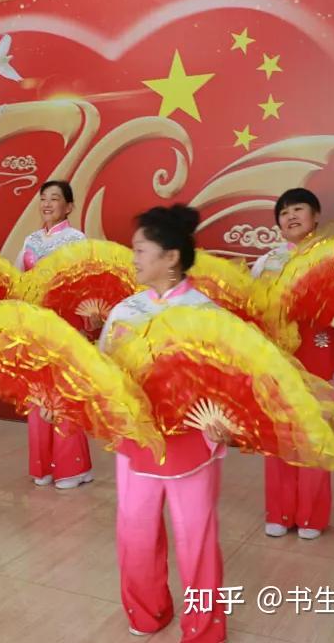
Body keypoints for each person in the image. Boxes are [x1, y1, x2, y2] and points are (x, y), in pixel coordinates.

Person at [99, 205, 229, 642]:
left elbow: (232, 381)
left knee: (196, 538)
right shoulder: (124, 311)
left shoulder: (206, 313)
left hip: (192, 443)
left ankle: (204, 626)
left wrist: (224, 421)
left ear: (171, 257)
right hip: (136, 440)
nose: (132, 258)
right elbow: (104, 371)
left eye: (139, 249)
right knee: (134, 531)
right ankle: (145, 612)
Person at [251, 188, 334, 540]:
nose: (290, 216)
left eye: (298, 209)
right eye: (283, 213)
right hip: (278, 359)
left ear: (316, 216)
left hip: (320, 355)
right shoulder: (266, 262)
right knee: (278, 437)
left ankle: (312, 517)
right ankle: (280, 512)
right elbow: (252, 312)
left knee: (315, 437)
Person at [15, 180, 93, 490]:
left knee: (64, 394)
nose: (47, 204)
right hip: (37, 324)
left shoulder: (77, 239)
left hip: (65, 323)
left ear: (69, 207)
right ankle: (43, 465)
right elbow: (19, 278)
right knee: (38, 394)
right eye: (43, 198)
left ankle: (72, 468)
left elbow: (86, 282)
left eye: (55, 199)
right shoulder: (31, 239)